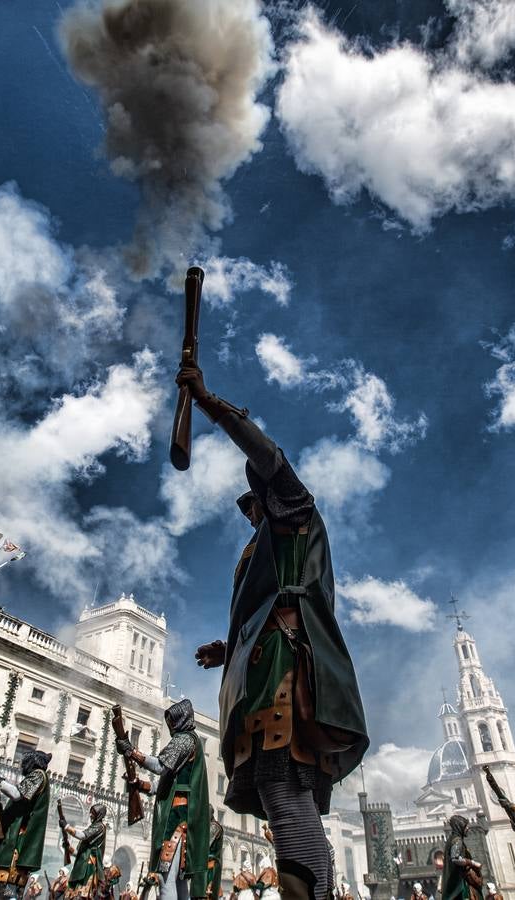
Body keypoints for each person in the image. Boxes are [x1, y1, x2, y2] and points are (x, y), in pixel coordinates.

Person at [179, 361, 369, 900]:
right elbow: (260, 605)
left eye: (255, 501)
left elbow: (267, 455)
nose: (253, 511)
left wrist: (209, 401)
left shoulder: (296, 511)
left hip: (285, 665)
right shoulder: (266, 542)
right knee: (286, 790)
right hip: (259, 664)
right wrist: (228, 645)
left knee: (280, 782)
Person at [116, 699, 210, 900]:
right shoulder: (190, 742)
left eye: (172, 722)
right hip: (182, 817)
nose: (170, 726)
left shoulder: (185, 739)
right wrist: (140, 785)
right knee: (178, 881)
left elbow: (159, 766)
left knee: (166, 880)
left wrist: (132, 753)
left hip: (177, 819)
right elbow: (166, 784)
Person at [0, 751, 51, 899]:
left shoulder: (38, 774)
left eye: (24, 761)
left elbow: (16, 794)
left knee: (5, 892)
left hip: (16, 842)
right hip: (8, 841)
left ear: (32, 762)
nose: (22, 764)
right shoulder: (33, 778)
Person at [60, 804, 107, 900]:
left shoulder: (100, 827)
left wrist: (66, 826)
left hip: (88, 868)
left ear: (99, 815)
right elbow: (78, 853)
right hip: (81, 867)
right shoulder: (93, 827)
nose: (90, 815)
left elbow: (82, 835)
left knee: (82, 895)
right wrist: (68, 848)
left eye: (93, 813)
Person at [441, 816, 483, 900]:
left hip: (455, 882)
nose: (468, 828)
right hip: (460, 883)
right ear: (459, 827)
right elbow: (455, 859)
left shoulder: (451, 839)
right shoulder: (457, 840)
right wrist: (472, 863)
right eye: (465, 826)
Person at [206, 807, 223, 900]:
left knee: (208, 895)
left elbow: (204, 845)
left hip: (211, 867)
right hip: (208, 865)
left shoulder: (214, 826)